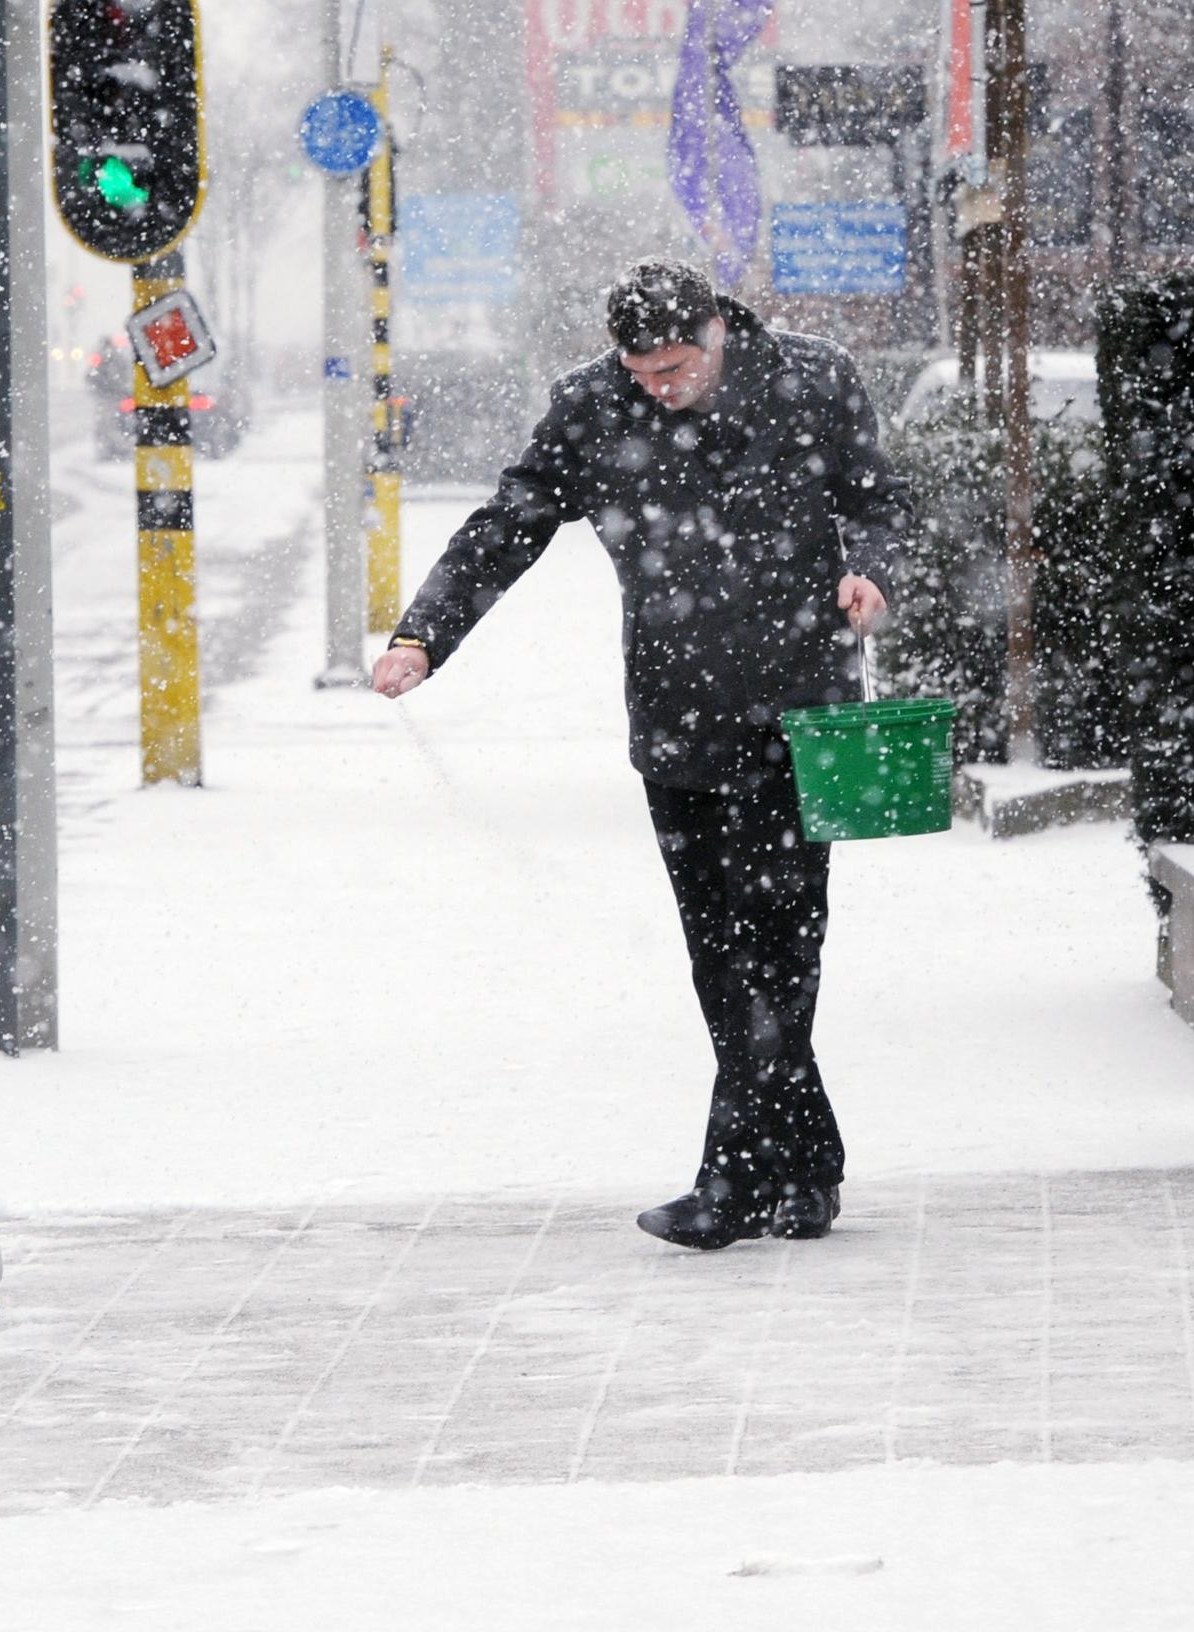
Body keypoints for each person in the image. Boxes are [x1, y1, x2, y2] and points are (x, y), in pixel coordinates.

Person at [372, 260, 913, 1251]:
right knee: (721, 960)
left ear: (714, 330)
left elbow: (882, 506)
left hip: (802, 711)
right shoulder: (592, 406)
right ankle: (807, 1160)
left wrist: (870, 574)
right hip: (677, 717)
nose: (659, 385)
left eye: (675, 366)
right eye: (642, 369)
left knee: (782, 950)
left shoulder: (811, 380)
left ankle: (731, 1183)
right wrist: (422, 636)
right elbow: (508, 524)